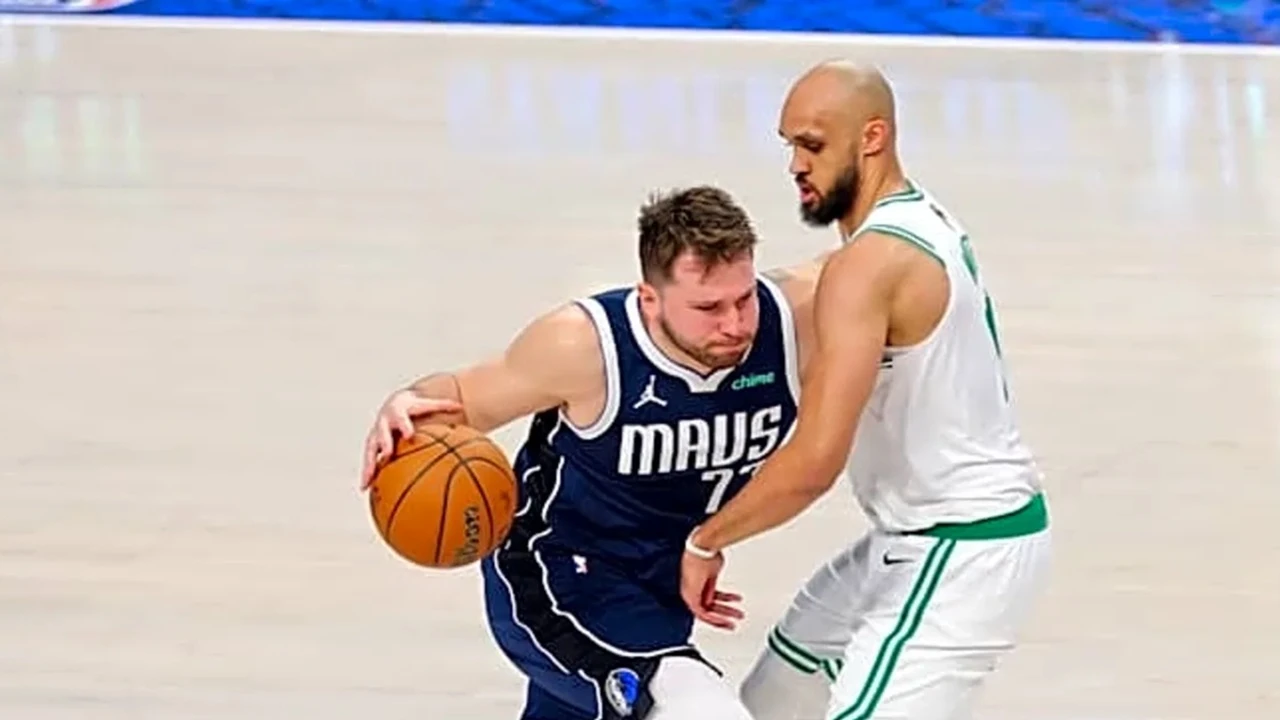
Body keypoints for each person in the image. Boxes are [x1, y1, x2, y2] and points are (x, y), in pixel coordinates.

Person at [359, 185, 822, 720]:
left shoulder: (794, 319)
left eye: (744, 298)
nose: (736, 324)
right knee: (696, 707)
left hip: (660, 587)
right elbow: (465, 396)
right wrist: (405, 402)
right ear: (650, 299)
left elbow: (884, 252)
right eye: (708, 308)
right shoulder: (585, 346)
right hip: (557, 578)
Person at [678, 61, 1053, 720]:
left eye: (813, 145)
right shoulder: (917, 220)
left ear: (873, 137)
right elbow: (808, 283)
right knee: (775, 701)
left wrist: (703, 541)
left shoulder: (870, 264)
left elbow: (814, 463)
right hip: (912, 537)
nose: (796, 164)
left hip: (961, 547)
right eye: (790, 144)